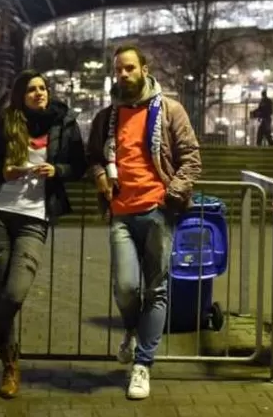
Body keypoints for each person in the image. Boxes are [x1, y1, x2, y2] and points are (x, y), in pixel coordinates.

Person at [0, 70, 86, 398]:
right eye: (31, 89)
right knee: (1, 293)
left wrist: (57, 170)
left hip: (34, 218)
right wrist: (4, 171)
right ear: (20, 95)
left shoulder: (65, 123)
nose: (39, 93)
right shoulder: (7, 121)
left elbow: (80, 166)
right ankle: (9, 367)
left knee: (15, 293)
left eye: (43, 88)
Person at [87, 45, 202, 400]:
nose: (123, 75)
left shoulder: (170, 109)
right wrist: (99, 176)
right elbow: (93, 157)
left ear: (144, 69)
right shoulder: (107, 116)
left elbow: (191, 158)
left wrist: (172, 193)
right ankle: (133, 331)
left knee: (156, 289)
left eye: (129, 68)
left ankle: (143, 364)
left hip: (157, 210)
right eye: (118, 70)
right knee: (125, 286)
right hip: (121, 211)